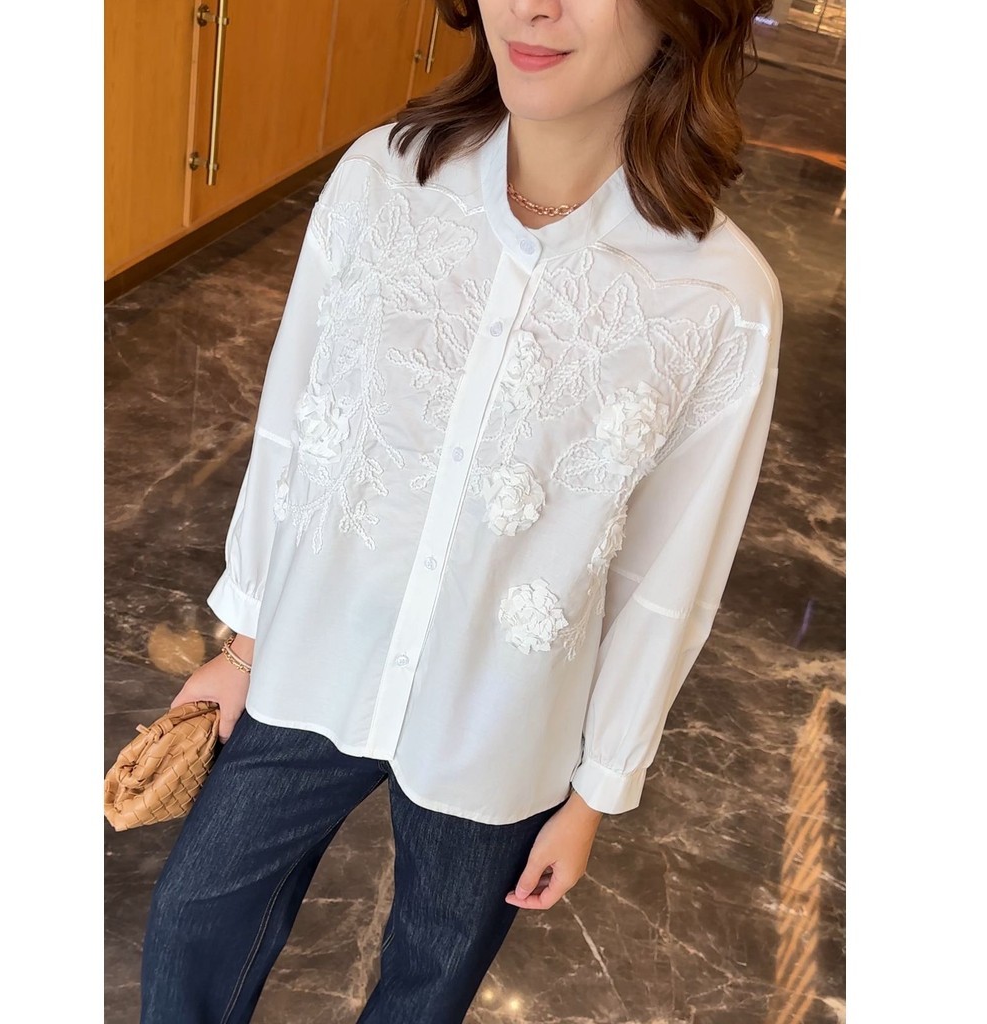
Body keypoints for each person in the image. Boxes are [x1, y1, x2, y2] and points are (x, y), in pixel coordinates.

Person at [138, 0, 781, 1021]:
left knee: (430, 979)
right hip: (320, 649)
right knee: (193, 917)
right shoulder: (384, 179)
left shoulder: (718, 296)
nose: (533, 7)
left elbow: (669, 577)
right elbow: (297, 424)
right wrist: (245, 642)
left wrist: (594, 791)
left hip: (506, 716)